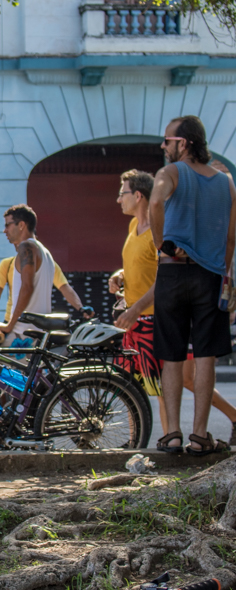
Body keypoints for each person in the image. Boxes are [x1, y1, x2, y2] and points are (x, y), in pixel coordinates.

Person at [109, 169, 236, 446]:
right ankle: (137, 440)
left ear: (139, 195)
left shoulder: (162, 232)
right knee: (137, 383)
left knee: (176, 381)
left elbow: (164, 278)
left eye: (122, 193)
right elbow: (138, 266)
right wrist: (120, 275)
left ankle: (178, 437)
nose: (118, 199)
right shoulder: (134, 229)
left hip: (156, 313)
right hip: (137, 320)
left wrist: (136, 308)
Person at [149, 115, 236, 455]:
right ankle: (200, 436)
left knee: (171, 357)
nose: (163, 146)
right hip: (211, 275)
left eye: (167, 140)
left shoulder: (170, 173)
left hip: (173, 271)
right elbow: (231, 238)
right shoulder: (226, 183)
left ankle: (172, 435)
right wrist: (226, 275)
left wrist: (161, 243)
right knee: (206, 357)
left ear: (182, 143)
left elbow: (156, 202)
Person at [0, 205, 57, 345]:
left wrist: (9, 325)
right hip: (38, 334)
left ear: (21, 225)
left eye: (8, 225)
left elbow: (27, 287)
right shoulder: (44, 251)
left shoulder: (26, 247)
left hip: (22, 333)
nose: (5, 230)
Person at [0, 256, 92, 334]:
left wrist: (80, 308)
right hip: (15, 323)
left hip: (36, 325)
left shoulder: (49, 265)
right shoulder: (8, 264)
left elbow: (65, 288)